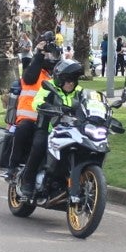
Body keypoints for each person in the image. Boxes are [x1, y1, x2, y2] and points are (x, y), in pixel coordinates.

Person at [15, 59, 85, 197]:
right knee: (40, 144)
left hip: (72, 131)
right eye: (68, 79)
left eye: (74, 79)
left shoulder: (80, 91)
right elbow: (37, 102)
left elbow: (90, 104)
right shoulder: (49, 86)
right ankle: (27, 180)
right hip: (49, 128)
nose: (71, 83)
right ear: (60, 78)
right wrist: (50, 107)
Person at [8, 32, 61, 173]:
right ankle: (13, 166)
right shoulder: (33, 73)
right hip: (29, 118)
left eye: (53, 55)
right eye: (49, 55)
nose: (51, 57)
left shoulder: (57, 77)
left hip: (50, 121)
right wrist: (39, 52)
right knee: (23, 130)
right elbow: (30, 76)